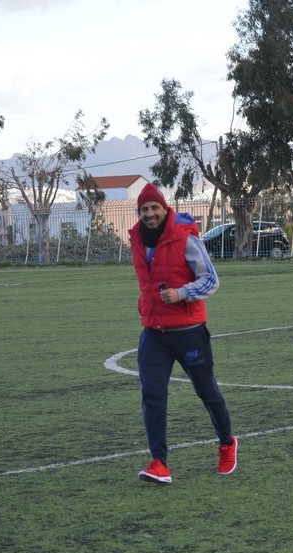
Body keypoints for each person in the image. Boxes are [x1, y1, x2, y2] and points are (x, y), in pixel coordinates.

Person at [128, 182, 237, 484]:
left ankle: (227, 442)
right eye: (144, 209)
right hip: (154, 334)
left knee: (206, 391)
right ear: (139, 213)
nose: (150, 214)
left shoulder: (185, 237)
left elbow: (211, 279)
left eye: (154, 208)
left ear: (165, 209)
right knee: (152, 394)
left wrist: (182, 293)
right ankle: (159, 463)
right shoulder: (136, 240)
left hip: (189, 332)